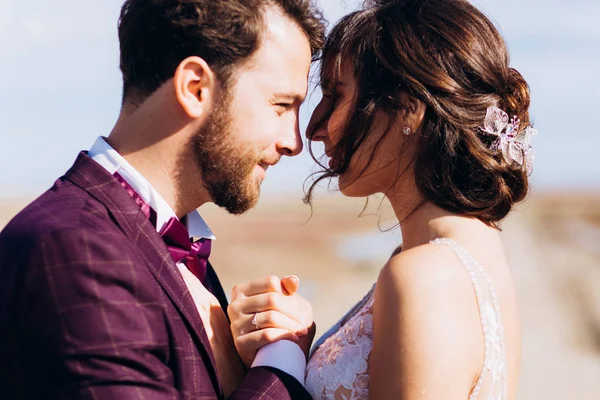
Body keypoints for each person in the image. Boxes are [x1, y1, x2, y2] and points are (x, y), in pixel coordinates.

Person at [0, 0, 325, 398]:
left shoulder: (168, 243)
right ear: (195, 88)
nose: (293, 141)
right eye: (280, 105)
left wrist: (246, 365)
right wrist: (282, 361)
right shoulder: (75, 251)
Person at [229, 0, 538, 398]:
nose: (313, 128)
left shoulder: (425, 277)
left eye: (335, 96)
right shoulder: (468, 252)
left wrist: (282, 360)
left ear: (408, 109)